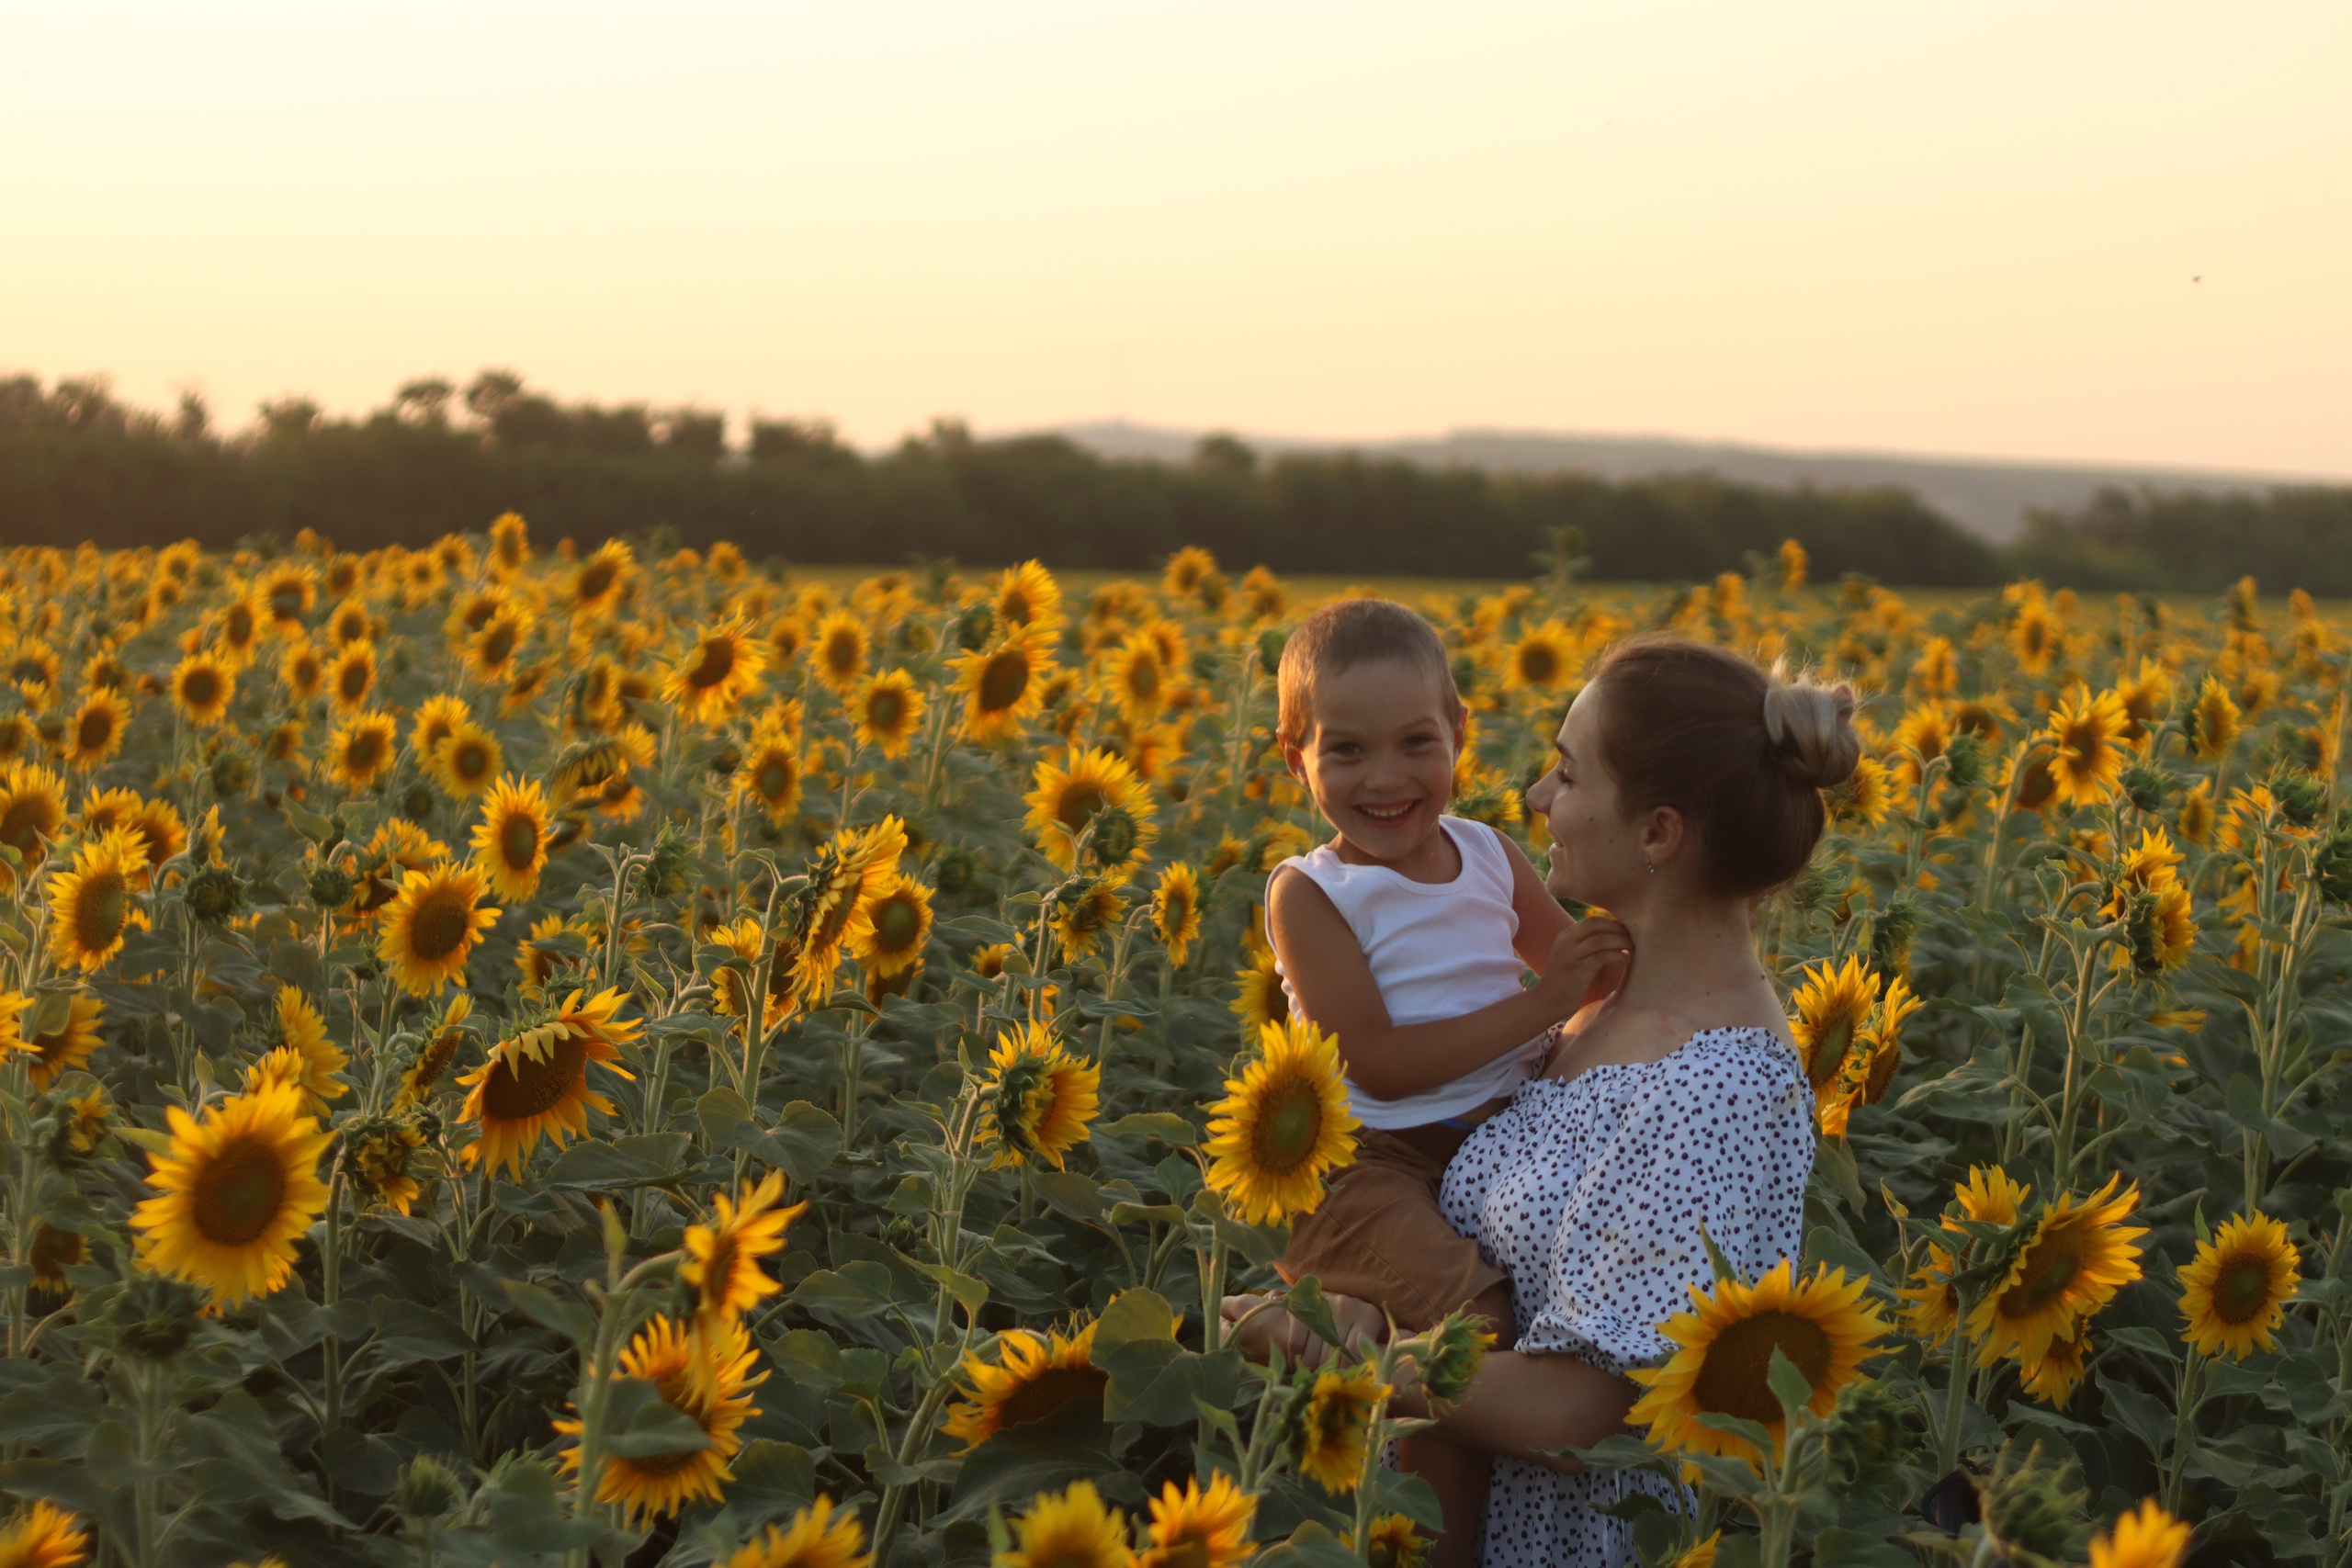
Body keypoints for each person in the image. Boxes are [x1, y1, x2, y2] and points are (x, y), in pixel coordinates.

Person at [1229, 632, 1849, 1568]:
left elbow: (1581, 1417)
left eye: (1566, 773)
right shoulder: (1592, 1018)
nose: (1532, 799)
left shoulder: (1715, 1085)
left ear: (1656, 833)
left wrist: (1332, 1346)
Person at [1251, 598, 1634, 1562]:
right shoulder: (1312, 892)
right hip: (1367, 1167)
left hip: (1492, 1139)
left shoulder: (1489, 853)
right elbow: (1371, 1057)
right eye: (1344, 753)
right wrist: (1543, 1007)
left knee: (1499, 1327)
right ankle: (1291, 1340)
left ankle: (1337, 1332)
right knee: (1471, 1325)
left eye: (1415, 742)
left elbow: (1585, 977)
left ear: (1459, 733)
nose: (1385, 780)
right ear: (1293, 755)